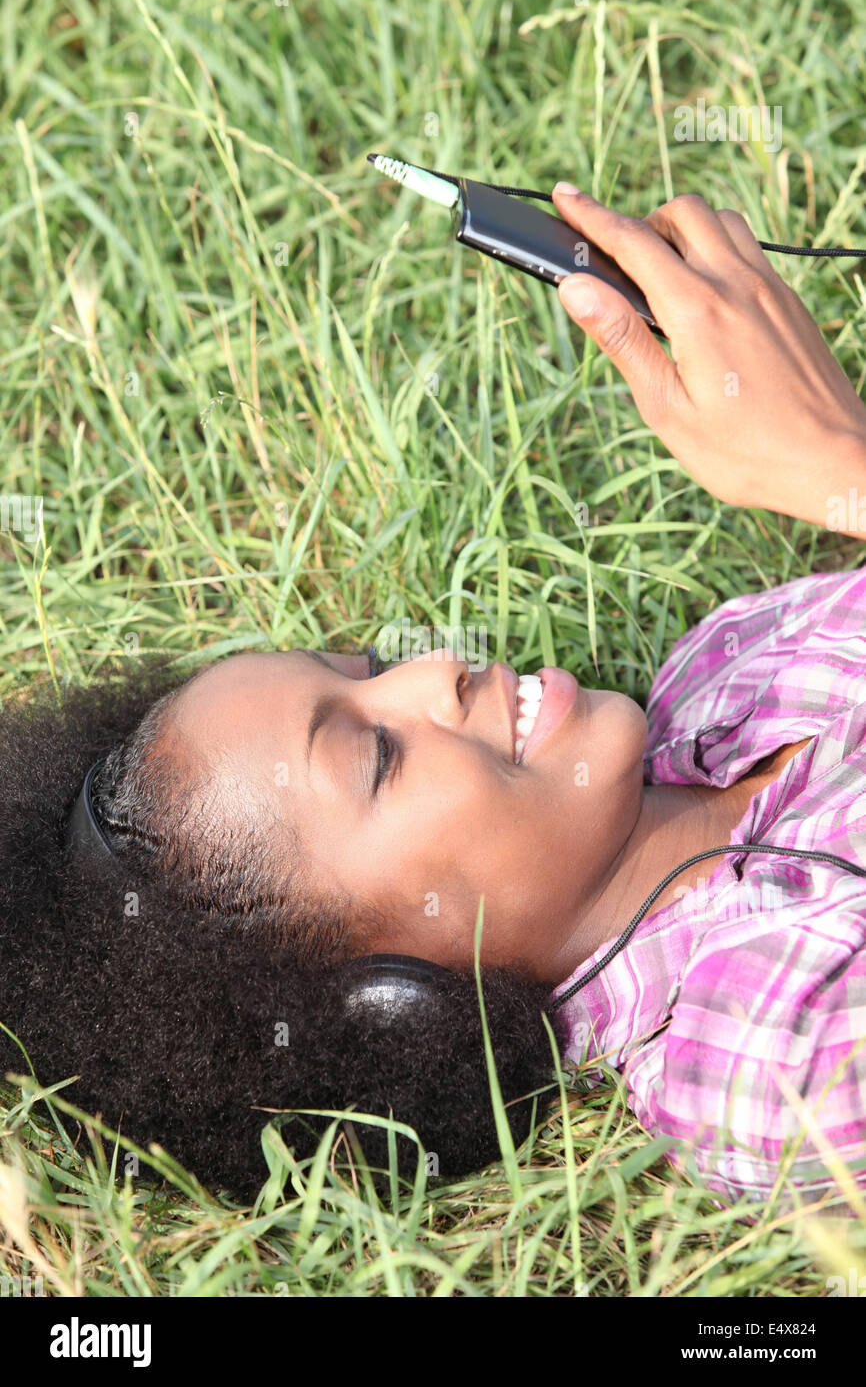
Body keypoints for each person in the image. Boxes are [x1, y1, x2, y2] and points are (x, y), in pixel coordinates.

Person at [2, 189, 865, 1214]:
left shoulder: (729, 663)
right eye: (377, 755)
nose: (434, 670)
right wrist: (831, 464)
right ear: (399, 1007)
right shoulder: (765, 1054)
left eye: (363, 667)